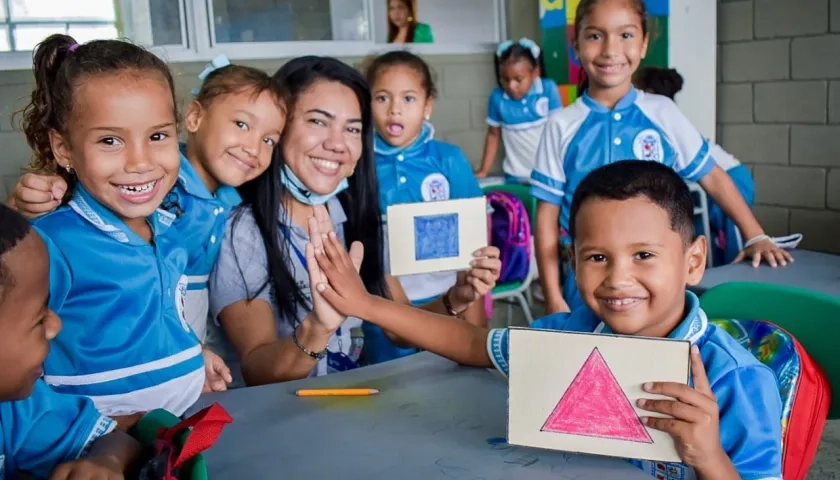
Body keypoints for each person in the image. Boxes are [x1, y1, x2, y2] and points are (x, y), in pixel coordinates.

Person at [309, 160, 784, 480]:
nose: (618, 279)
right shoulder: (569, 335)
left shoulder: (737, 381)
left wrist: (711, 458)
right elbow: (472, 343)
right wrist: (365, 305)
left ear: (694, 260)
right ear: (572, 260)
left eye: (643, 254)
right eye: (597, 256)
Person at [207, 56, 501, 387]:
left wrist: (456, 297)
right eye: (318, 121)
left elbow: (396, 330)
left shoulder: (350, 217)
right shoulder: (243, 231)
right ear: (280, 125)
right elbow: (256, 369)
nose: (337, 144)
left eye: (352, 128)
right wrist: (319, 327)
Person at [530, 0, 793, 315]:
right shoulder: (560, 125)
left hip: (657, 273)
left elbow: (713, 176)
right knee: (595, 355)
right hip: (589, 277)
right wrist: (553, 295)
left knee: (661, 354)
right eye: (595, 36)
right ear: (576, 46)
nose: (610, 49)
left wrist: (756, 235)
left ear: (643, 45)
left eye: (625, 35)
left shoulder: (662, 113)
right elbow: (546, 217)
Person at [17, 34, 227, 427]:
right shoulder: (51, 244)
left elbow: (157, 315)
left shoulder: (168, 230)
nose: (140, 161)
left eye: (158, 136)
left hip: (180, 426)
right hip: (97, 448)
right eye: (110, 140)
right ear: (64, 149)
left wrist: (192, 355)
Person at [6, 54, 286, 343]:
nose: (254, 148)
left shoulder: (231, 201)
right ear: (194, 117)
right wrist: (23, 205)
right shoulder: (155, 186)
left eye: (269, 140)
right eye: (241, 124)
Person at [0, 204, 141, 479]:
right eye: (39, 317)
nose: (55, 326)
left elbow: (118, 437)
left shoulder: (16, 407)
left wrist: (105, 462)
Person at [364, 50, 487, 363]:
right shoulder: (358, 164)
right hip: (386, 304)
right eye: (382, 98)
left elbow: (474, 240)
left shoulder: (448, 158)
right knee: (390, 388)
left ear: (427, 105)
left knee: (452, 386)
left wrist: (474, 317)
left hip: (451, 296)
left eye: (408, 98)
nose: (395, 110)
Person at [634, 66, 756, 265]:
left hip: (730, 177)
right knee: (711, 240)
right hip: (706, 185)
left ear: (649, 93)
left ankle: (736, 286)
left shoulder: (666, 119)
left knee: (734, 247)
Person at [476, 38, 562, 183]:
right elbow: (493, 135)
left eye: (518, 79)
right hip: (515, 175)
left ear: (535, 73)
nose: (511, 86)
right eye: (505, 79)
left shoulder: (548, 89)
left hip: (548, 173)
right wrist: (484, 171)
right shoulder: (497, 98)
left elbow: (560, 129)